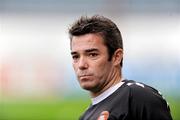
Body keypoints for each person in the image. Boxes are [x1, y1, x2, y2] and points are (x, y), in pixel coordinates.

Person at [68, 15, 173, 120]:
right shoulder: (85, 116)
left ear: (116, 57)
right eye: (75, 56)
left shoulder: (138, 97)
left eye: (92, 55)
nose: (81, 65)